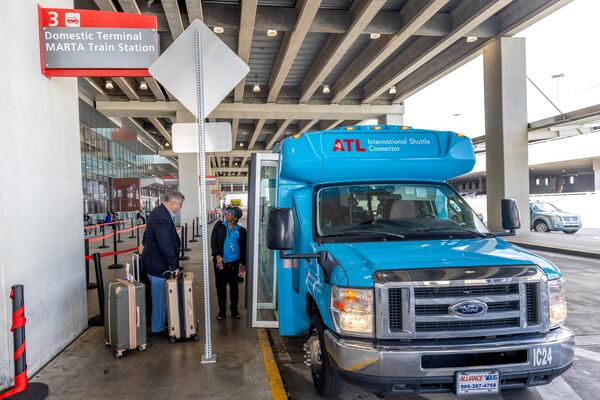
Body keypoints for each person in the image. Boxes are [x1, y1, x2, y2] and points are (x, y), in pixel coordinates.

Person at [141, 191, 184, 335]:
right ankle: (158, 328)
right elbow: (165, 244)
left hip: (154, 261)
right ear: (173, 202)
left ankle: (160, 322)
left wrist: (144, 245)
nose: (180, 207)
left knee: (159, 295)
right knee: (159, 297)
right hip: (157, 264)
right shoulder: (162, 216)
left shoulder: (158, 212)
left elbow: (147, 235)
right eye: (180, 204)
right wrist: (173, 265)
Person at [211, 206, 247, 320]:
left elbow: (243, 248)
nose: (227, 214)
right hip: (220, 263)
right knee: (220, 287)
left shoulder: (241, 231)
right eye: (227, 212)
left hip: (234, 264)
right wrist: (217, 256)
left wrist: (243, 263)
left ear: (236, 217)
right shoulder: (219, 226)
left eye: (230, 213)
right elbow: (213, 242)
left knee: (234, 288)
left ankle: (234, 311)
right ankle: (221, 312)